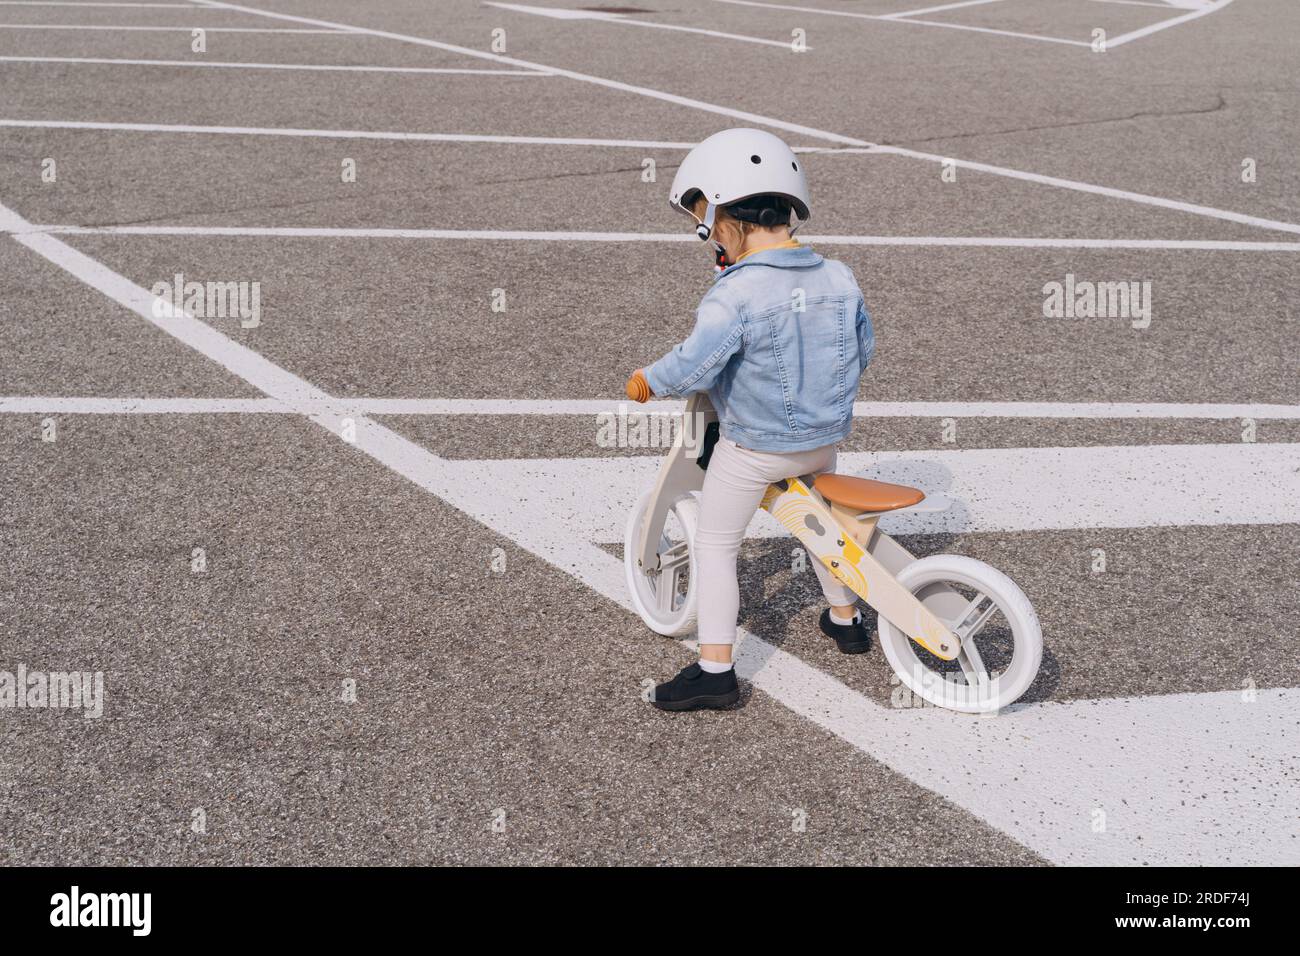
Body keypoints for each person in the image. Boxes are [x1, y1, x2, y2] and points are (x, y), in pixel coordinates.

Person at [626, 128, 876, 712]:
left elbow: (697, 363)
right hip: (823, 440)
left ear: (728, 219)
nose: (707, 238)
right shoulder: (839, 277)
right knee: (822, 526)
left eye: (705, 223)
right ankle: (846, 619)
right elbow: (861, 352)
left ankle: (715, 669)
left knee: (715, 544)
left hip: (757, 447)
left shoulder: (734, 295)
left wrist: (648, 381)